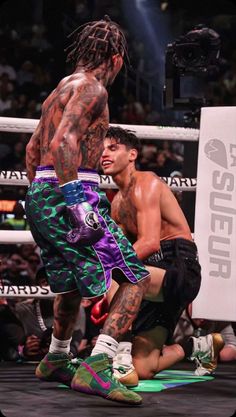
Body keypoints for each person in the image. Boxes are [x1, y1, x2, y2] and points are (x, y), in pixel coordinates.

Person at [25, 16, 150, 405]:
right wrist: (78, 203)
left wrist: (43, 199)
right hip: (70, 192)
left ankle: (57, 357)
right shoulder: (93, 89)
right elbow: (65, 142)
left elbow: (33, 150)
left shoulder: (58, 91)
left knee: (67, 286)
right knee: (135, 278)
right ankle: (97, 366)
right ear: (114, 59)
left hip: (41, 194)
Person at [101, 126, 222, 383]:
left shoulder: (146, 183)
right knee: (144, 368)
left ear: (132, 154)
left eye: (112, 148)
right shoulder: (116, 203)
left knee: (114, 273)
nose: (104, 154)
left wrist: (104, 273)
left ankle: (118, 355)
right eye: (101, 150)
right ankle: (199, 347)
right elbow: (122, 249)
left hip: (178, 268)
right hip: (149, 277)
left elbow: (149, 243)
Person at [173, 304, 236, 375]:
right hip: (175, 362)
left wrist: (210, 355)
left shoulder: (219, 317)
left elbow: (232, 348)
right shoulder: (174, 314)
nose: (202, 319)